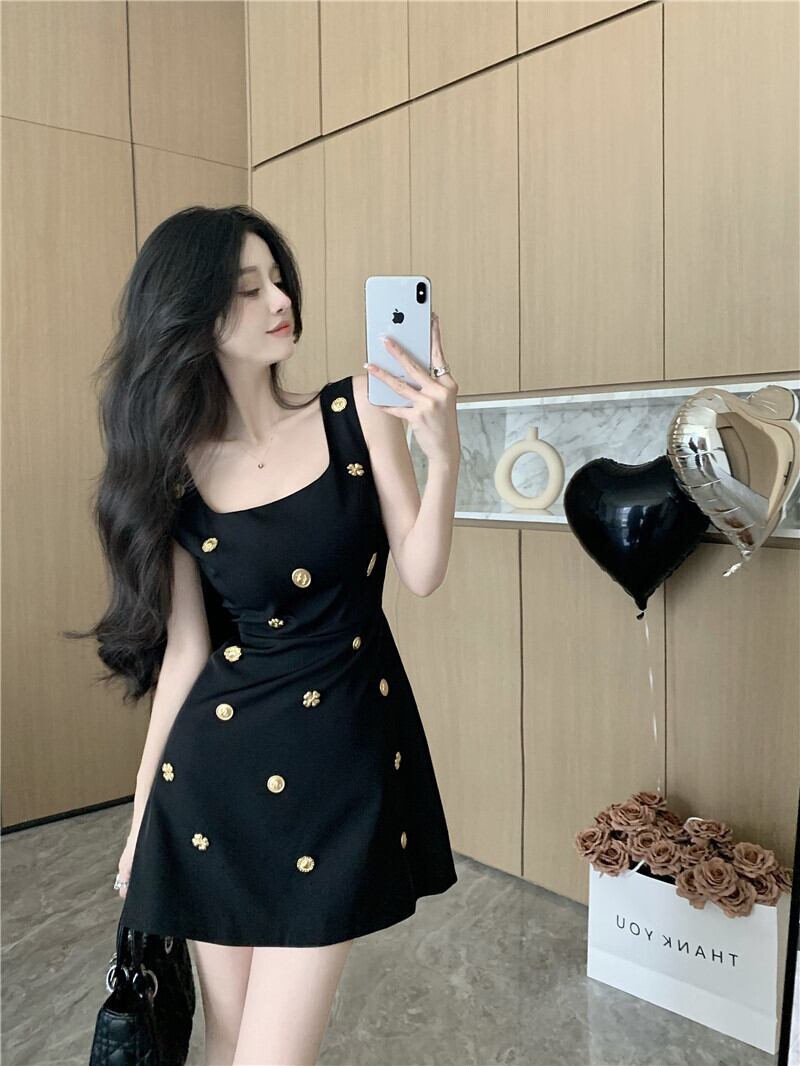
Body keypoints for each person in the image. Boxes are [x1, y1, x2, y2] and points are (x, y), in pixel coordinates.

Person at [67, 204, 461, 1066]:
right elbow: (187, 656)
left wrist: (445, 454)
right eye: (248, 289)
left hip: (340, 768)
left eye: (277, 279)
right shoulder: (175, 475)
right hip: (214, 784)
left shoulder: (357, 410)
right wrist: (142, 817)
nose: (280, 300)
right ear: (192, 317)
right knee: (227, 1044)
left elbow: (422, 570)